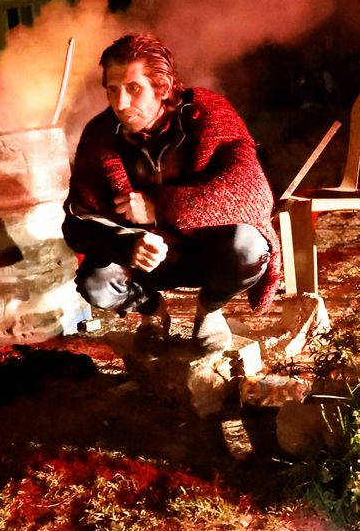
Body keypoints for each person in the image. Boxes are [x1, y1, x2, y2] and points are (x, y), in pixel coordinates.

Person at [62, 33, 280, 351]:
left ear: (162, 87)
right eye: (112, 90)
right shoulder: (99, 136)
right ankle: (152, 312)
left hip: (207, 251)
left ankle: (209, 311)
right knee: (95, 283)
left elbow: (252, 194)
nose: (120, 104)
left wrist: (159, 207)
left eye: (133, 89)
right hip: (144, 266)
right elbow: (76, 223)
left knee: (248, 248)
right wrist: (124, 243)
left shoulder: (209, 115)